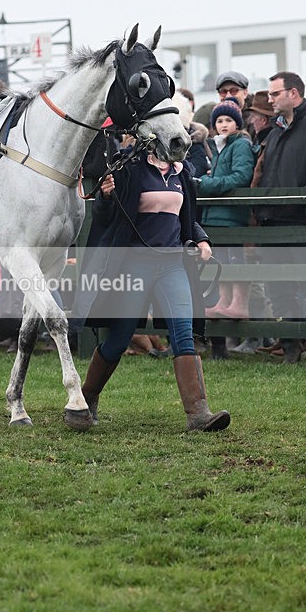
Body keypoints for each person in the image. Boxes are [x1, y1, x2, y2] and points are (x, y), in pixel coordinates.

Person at [75, 142, 230, 433]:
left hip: (173, 265)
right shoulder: (129, 168)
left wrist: (202, 238)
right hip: (134, 265)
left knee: (183, 333)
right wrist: (107, 196)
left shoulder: (182, 173)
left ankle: (198, 414)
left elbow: (187, 217)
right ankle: (86, 398)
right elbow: (106, 218)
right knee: (119, 340)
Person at [254, 71, 306, 363]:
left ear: (294, 93)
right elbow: (267, 175)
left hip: (303, 224)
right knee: (280, 287)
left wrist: (301, 203)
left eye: (275, 93)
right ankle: (291, 345)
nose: (270, 99)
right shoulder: (275, 132)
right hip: (272, 223)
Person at [199, 98, 255, 321]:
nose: (223, 124)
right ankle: (224, 300)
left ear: (237, 124)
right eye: (219, 120)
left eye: (229, 120)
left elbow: (241, 176)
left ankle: (239, 303)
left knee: (235, 259)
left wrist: (205, 184)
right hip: (217, 214)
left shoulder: (240, 144)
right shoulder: (219, 145)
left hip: (231, 214)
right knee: (220, 260)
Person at [231, 91, 277, 354]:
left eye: (256, 116)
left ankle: (262, 335)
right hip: (258, 217)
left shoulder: (266, 141)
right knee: (262, 279)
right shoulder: (263, 141)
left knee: (260, 280)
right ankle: (266, 336)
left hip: (263, 218)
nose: (253, 120)